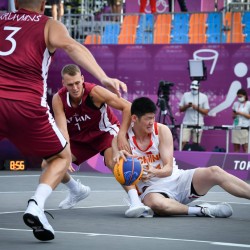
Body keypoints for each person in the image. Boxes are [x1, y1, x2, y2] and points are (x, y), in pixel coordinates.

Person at [0, 0, 126, 241]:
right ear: (44, 3)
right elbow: (72, 46)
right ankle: (36, 205)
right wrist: (103, 77)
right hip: (26, 105)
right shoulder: (48, 24)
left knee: (56, 155)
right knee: (61, 156)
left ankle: (76, 190)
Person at [112, 97, 250, 218]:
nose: (151, 122)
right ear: (135, 118)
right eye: (148, 119)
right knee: (156, 204)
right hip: (153, 190)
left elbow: (168, 169)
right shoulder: (121, 140)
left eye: (153, 117)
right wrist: (124, 164)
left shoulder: (161, 130)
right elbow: (121, 172)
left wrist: (154, 171)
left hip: (178, 180)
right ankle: (202, 210)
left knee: (215, 171)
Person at [42, 64, 151, 217]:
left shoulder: (95, 92)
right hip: (78, 139)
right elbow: (62, 130)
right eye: (70, 84)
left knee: (114, 161)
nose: (74, 87)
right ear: (63, 84)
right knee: (49, 163)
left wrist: (121, 134)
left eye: (77, 83)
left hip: (104, 133)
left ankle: (135, 202)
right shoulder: (58, 99)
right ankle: (76, 190)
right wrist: (65, 155)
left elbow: (128, 107)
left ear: (82, 79)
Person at [179, 80, 210, 150]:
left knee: (196, 143)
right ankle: (181, 156)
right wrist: (187, 106)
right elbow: (180, 109)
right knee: (183, 141)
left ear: (199, 88)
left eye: (195, 89)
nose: (193, 90)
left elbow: (206, 111)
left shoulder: (203, 97)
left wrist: (196, 107)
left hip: (198, 123)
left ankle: (194, 159)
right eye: (192, 88)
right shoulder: (185, 95)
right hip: (186, 122)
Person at [232, 88, 250, 153]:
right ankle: (235, 161)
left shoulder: (248, 104)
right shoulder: (235, 104)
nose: (239, 98)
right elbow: (232, 116)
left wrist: (241, 113)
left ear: (245, 96)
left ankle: (246, 161)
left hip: (245, 128)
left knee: (245, 148)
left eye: (240, 96)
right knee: (236, 147)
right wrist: (235, 115)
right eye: (238, 96)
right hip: (236, 127)